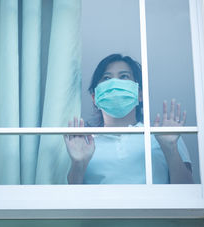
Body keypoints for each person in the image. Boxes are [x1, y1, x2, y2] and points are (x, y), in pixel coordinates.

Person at [64, 54, 193, 184]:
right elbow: (71, 198)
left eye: (124, 76)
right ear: (94, 98)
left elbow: (188, 192)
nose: (114, 83)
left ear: (140, 94)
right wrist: (78, 164)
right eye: (107, 78)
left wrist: (170, 147)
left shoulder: (165, 135)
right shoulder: (82, 144)